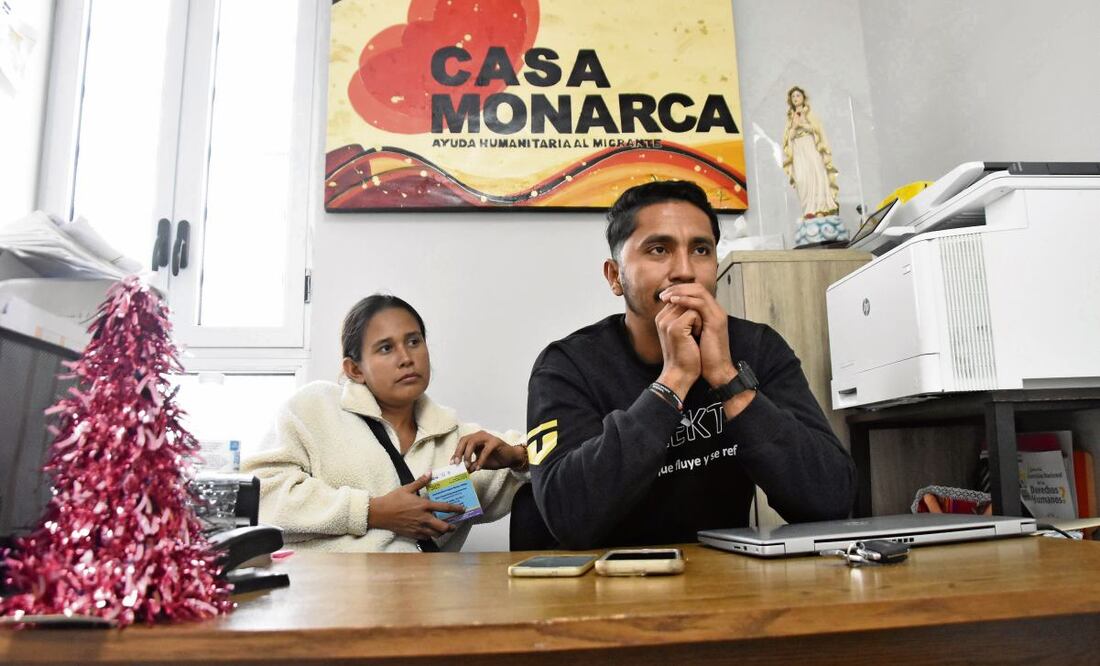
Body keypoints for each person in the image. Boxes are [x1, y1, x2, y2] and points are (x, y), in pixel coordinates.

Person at [525, 180, 856, 549]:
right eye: (658, 249)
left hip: (724, 580)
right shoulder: (567, 366)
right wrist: (674, 380)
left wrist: (727, 380)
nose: (684, 270)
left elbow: (832, 501)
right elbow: (568, 517)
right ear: (615, 276)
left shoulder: (757, 348)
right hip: (607, 583)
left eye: (700, 249)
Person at [242, 295, 529, 552]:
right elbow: (262, 496)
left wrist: (517, 458)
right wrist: (372, 511)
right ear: (354, 369)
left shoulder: (459, 443)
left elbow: (555, 465)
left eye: (414, 342)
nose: (406, 358)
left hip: (422, 602)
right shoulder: (315, 407)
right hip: (327, 599)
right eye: (385, 348)